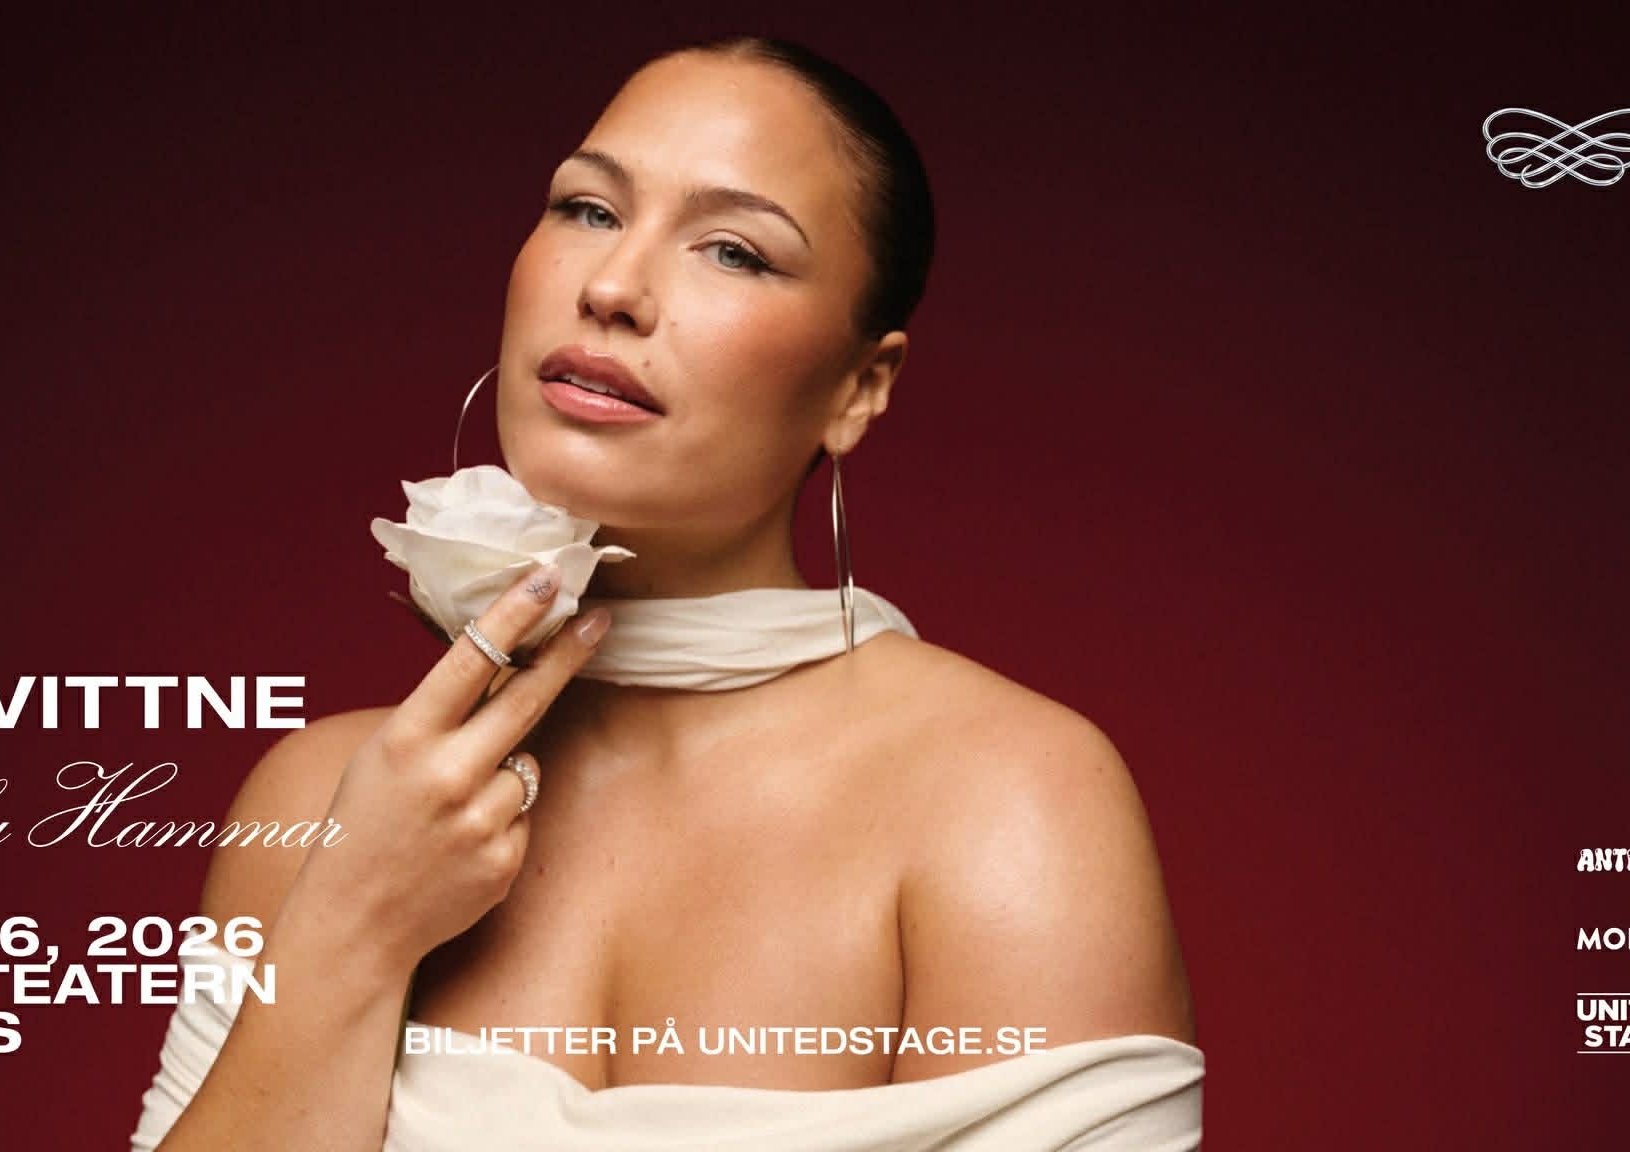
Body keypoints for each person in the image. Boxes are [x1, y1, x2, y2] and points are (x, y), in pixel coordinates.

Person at [133, 33, 1201, 1151]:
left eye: (732, 251)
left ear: (858, 387)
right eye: (587, 210)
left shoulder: (1005, 803)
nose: (610, 288)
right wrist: (350, 929)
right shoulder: (326, 796)